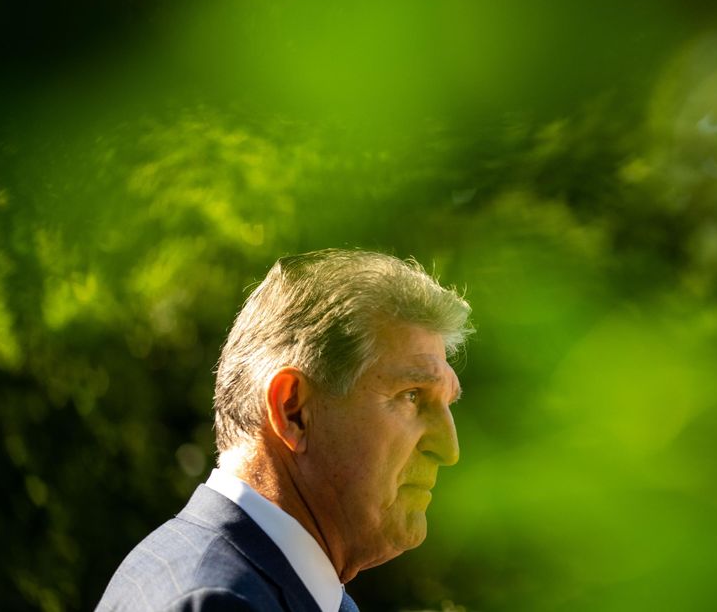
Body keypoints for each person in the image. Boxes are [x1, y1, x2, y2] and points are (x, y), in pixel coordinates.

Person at [98, 249, 472, 611]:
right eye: (411, 396)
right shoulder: (219, 602)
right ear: (293, 410)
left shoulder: (265, 585)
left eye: (447, 403)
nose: (449, 448)